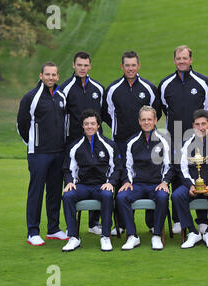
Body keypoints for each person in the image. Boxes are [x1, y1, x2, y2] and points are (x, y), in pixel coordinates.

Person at [159, 45, 208, 233]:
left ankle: (202, 219)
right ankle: (178, 219)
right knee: (178, 175)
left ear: (191, 60)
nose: (182, 61)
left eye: (185, 58)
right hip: (175, 138)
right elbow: (164, 110)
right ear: (174, 60)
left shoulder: (204, 82)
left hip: (199, 138)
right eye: (178, 58)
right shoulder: (165, 84)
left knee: (202, 173)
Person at [103, 51, 162, 233]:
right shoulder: (113, 89)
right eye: (127, 65)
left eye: (133, 65)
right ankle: (120, 225)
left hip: (148, 142)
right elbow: (108, 114)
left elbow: (155, 113)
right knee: (123, 181)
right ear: (122, 67)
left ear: (139, 66)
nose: (130, 68)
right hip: (120, 143)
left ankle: (152, 225)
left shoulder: (149, 88)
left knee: (151, 177)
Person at [17, 61, 68, 246]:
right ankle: (33, 231)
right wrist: (32, 144)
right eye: (47, 74)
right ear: (41, 76)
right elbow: (21, 125)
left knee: (54, 191)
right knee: (36, 191)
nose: (51, 78)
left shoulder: (61, 96)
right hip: (39, 153)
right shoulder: (31, 97)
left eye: (54, 75)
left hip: (58, 152)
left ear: (58, 76)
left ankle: (53, 229)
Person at [115, 106, 175, 250]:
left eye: (149, 119)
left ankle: (157, 235)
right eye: (144, 120)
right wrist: (127, 181)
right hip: (137, 185)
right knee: (121, 197)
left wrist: (165, 182)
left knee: (162, 197)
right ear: (139, 121)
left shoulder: (164, 141)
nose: (147, 122)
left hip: (156, 184)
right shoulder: (132, 142)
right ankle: (132, 236)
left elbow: (170, 166)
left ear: (155, 121)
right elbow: (127, 166)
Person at [61, 109, 121, 252]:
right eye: (86, 124)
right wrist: (69, 181)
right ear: (82, 126)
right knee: (67, 196)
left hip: (101, 186)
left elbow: (117, 168)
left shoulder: (109, 145)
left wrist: (110, 183)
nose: (89, 126)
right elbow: (68, 169)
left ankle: (105, 236)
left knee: (107, 195)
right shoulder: (75, 146)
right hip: (82, 186)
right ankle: (73, 237)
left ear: (98, 125)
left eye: (92, 123)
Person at [60, 51, 105, 235]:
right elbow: (60, 117)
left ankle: (94, 223)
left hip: (97, 144)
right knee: (73, 182)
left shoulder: (98, 88)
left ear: (90, 66)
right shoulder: (65, 88)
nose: (82, 68)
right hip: (74, 143)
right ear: (73, 65)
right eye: (79, 65)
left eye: (86, 65)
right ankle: (70, 227)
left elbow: (105, 114)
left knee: (98, 178)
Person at [171, 109, 208, 249]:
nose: (201, 127)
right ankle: (192, 232)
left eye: (204, 124)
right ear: (193, 126)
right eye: (197, 124)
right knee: (177, 195)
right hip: (192, 185)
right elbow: (181, 169)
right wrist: (190, 185)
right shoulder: (185, 144)